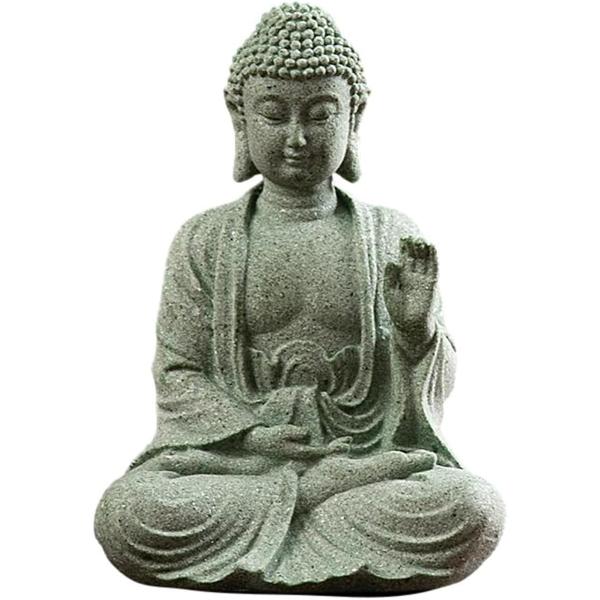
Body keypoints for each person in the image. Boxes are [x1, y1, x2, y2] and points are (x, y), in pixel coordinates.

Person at [94, 3, 504, 594]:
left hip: (363, 456)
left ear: (354, 117)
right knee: (132, 512)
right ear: (239, 118)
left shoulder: (390, 235)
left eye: (319, 114)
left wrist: (416, 333)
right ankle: (311, 496)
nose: (296, 138)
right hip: (245, 462)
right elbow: (180, 372)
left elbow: (420, 406)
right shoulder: (204, 239)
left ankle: (295, 515)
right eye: (273, 113)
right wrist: (250, 435)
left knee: (470, 507)